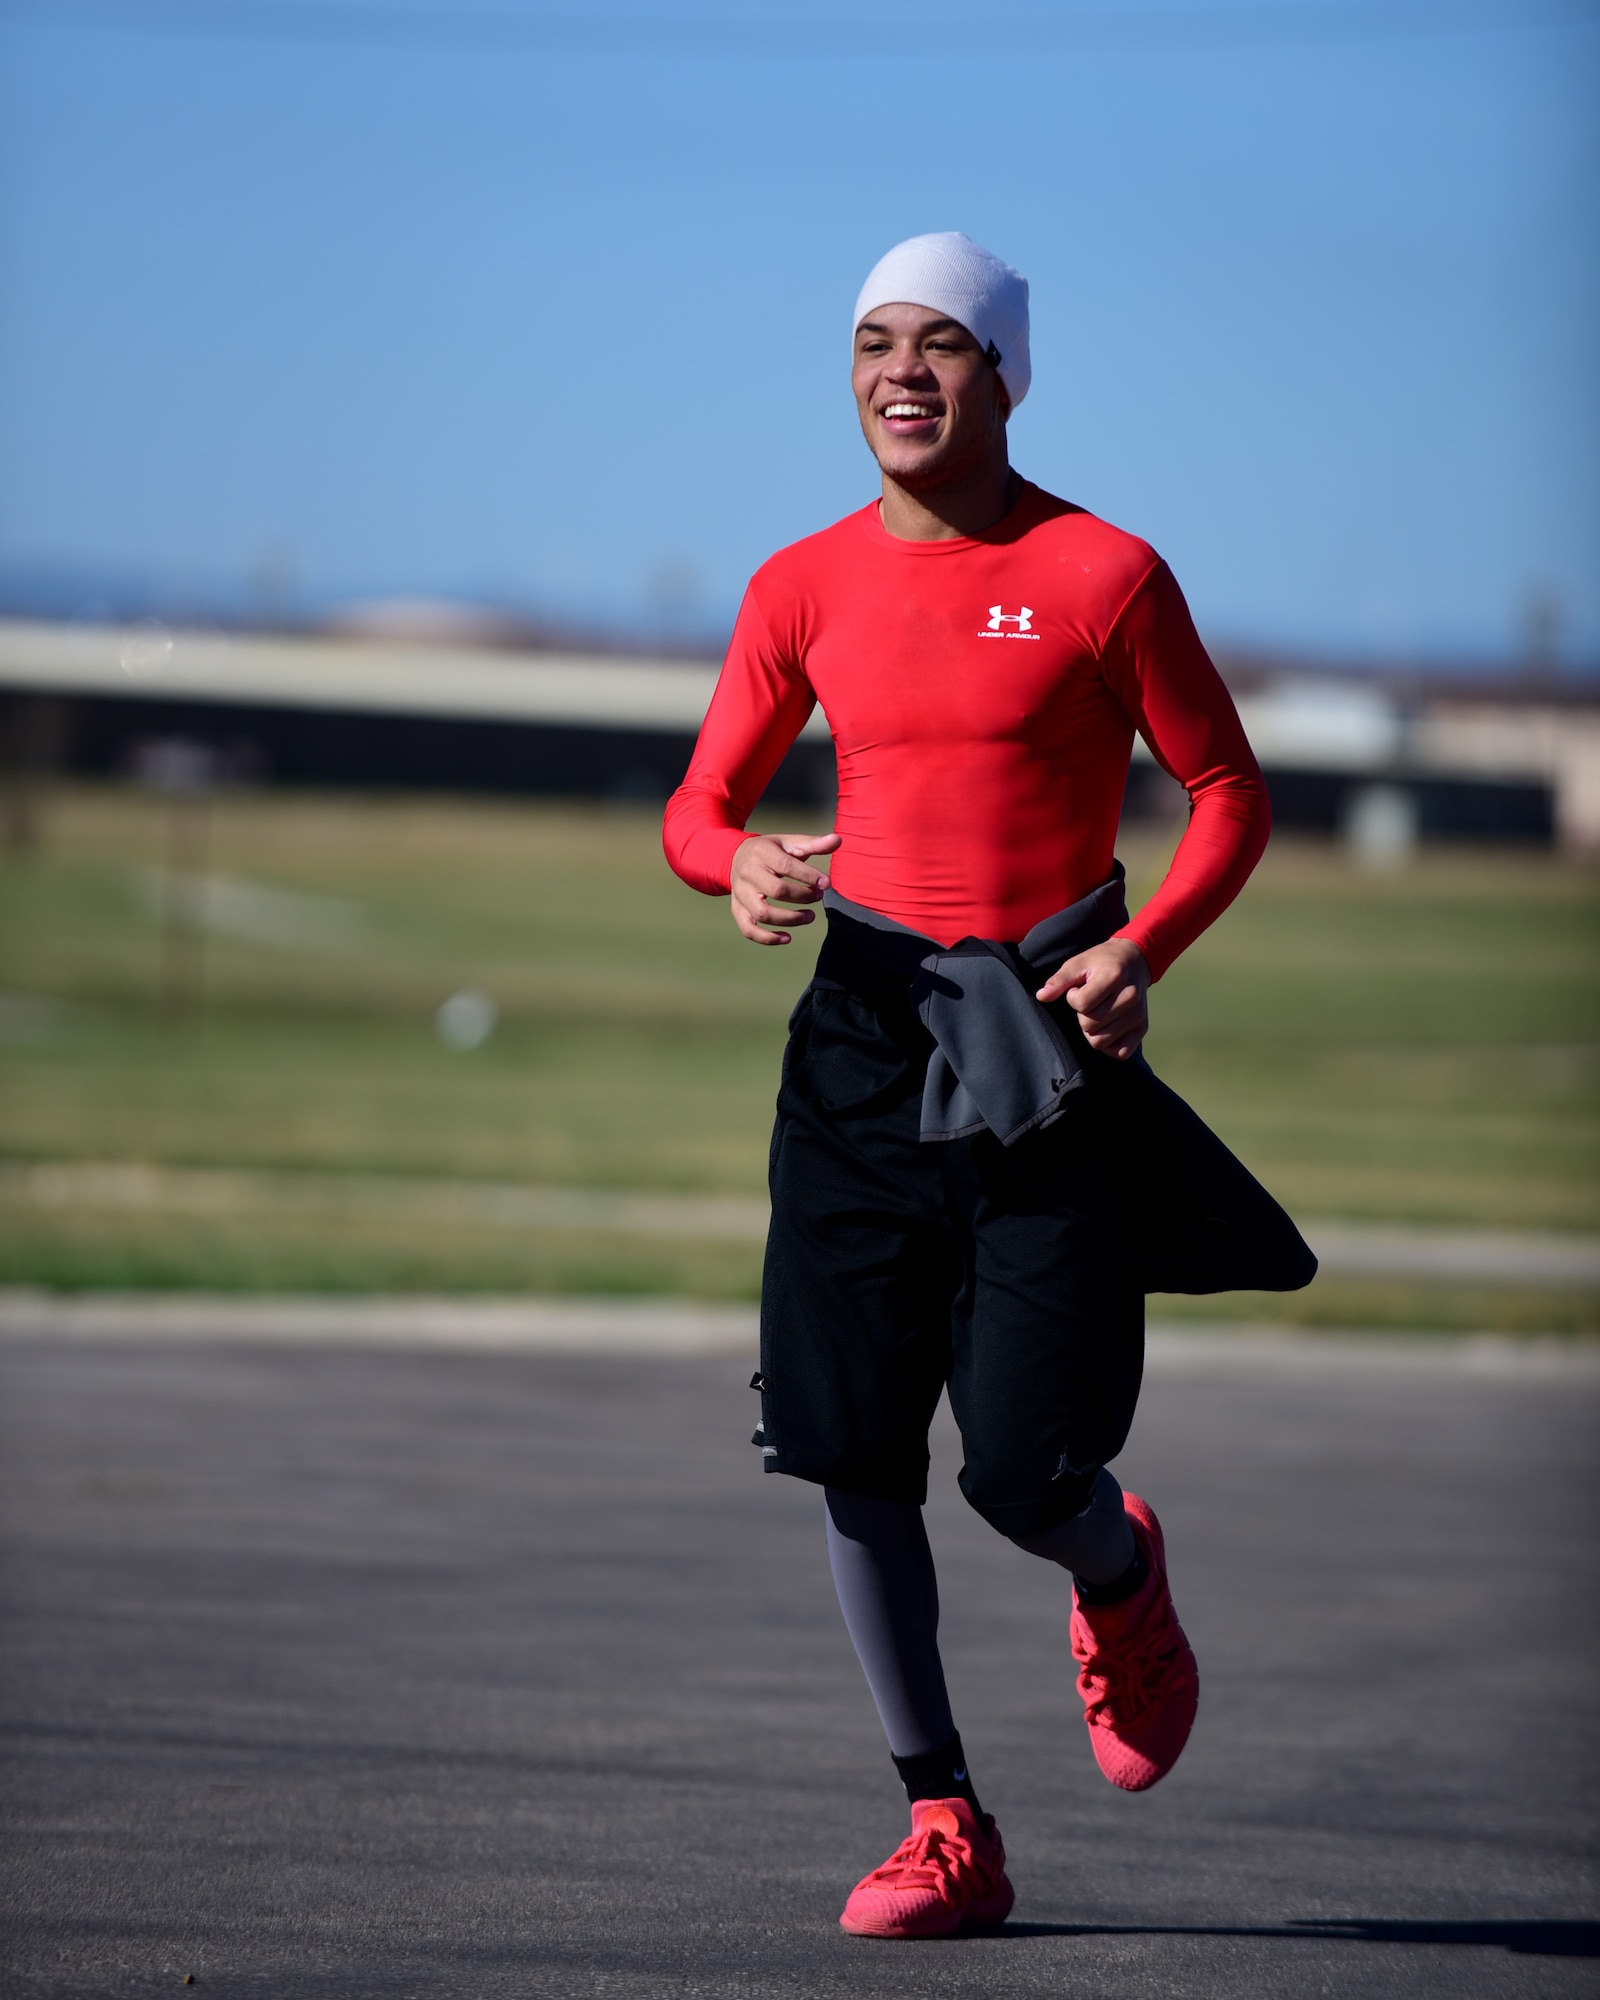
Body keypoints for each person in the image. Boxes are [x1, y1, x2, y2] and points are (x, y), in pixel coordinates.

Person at [663, 232, 1284, 1940]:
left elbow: (1225, 786)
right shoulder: (802, 582)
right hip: (858, 1038)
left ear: (1008, 373)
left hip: (1041, 1046)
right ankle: (944, 1822)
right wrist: (734, 866)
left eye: (942, 344)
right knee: (853, 1451)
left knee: (1018, 1469)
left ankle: (1121, 1571)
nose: (902, 374)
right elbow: (696, 803)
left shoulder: (1102, 574)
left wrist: (1144, 943)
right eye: (874, 342)